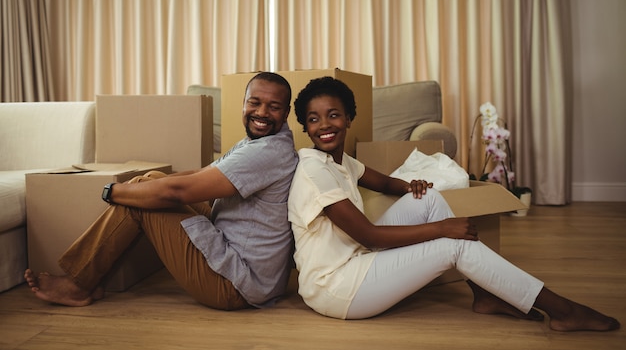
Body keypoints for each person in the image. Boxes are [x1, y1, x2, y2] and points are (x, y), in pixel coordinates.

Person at [287, 76, 620, 332]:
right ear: (306, 126)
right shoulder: (314, 169)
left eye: (333, 115)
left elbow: (384, 182)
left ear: (348, 118)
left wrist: (408, 185)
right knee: (452, 245)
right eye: (314, 119)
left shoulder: (340, 161)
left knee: (428, 197)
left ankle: (484, 294)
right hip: (336, 288)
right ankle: (563, 310)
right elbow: (370, 237)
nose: (325, 125)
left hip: (357, 261)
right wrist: (442, 229)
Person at [24, 72, 298, 311]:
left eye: (273, 107)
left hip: (236, 285)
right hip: (247, 267)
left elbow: (175, 193)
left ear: (285, 114)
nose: (262, 113)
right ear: (243, 104)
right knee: (151, 183)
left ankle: (78, 284)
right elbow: (200, 174)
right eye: (255, 102)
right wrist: (145, 184)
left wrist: (112, 191)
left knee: (143, 201)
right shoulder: (259, 143)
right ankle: (90, 280)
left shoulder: (267, 153)